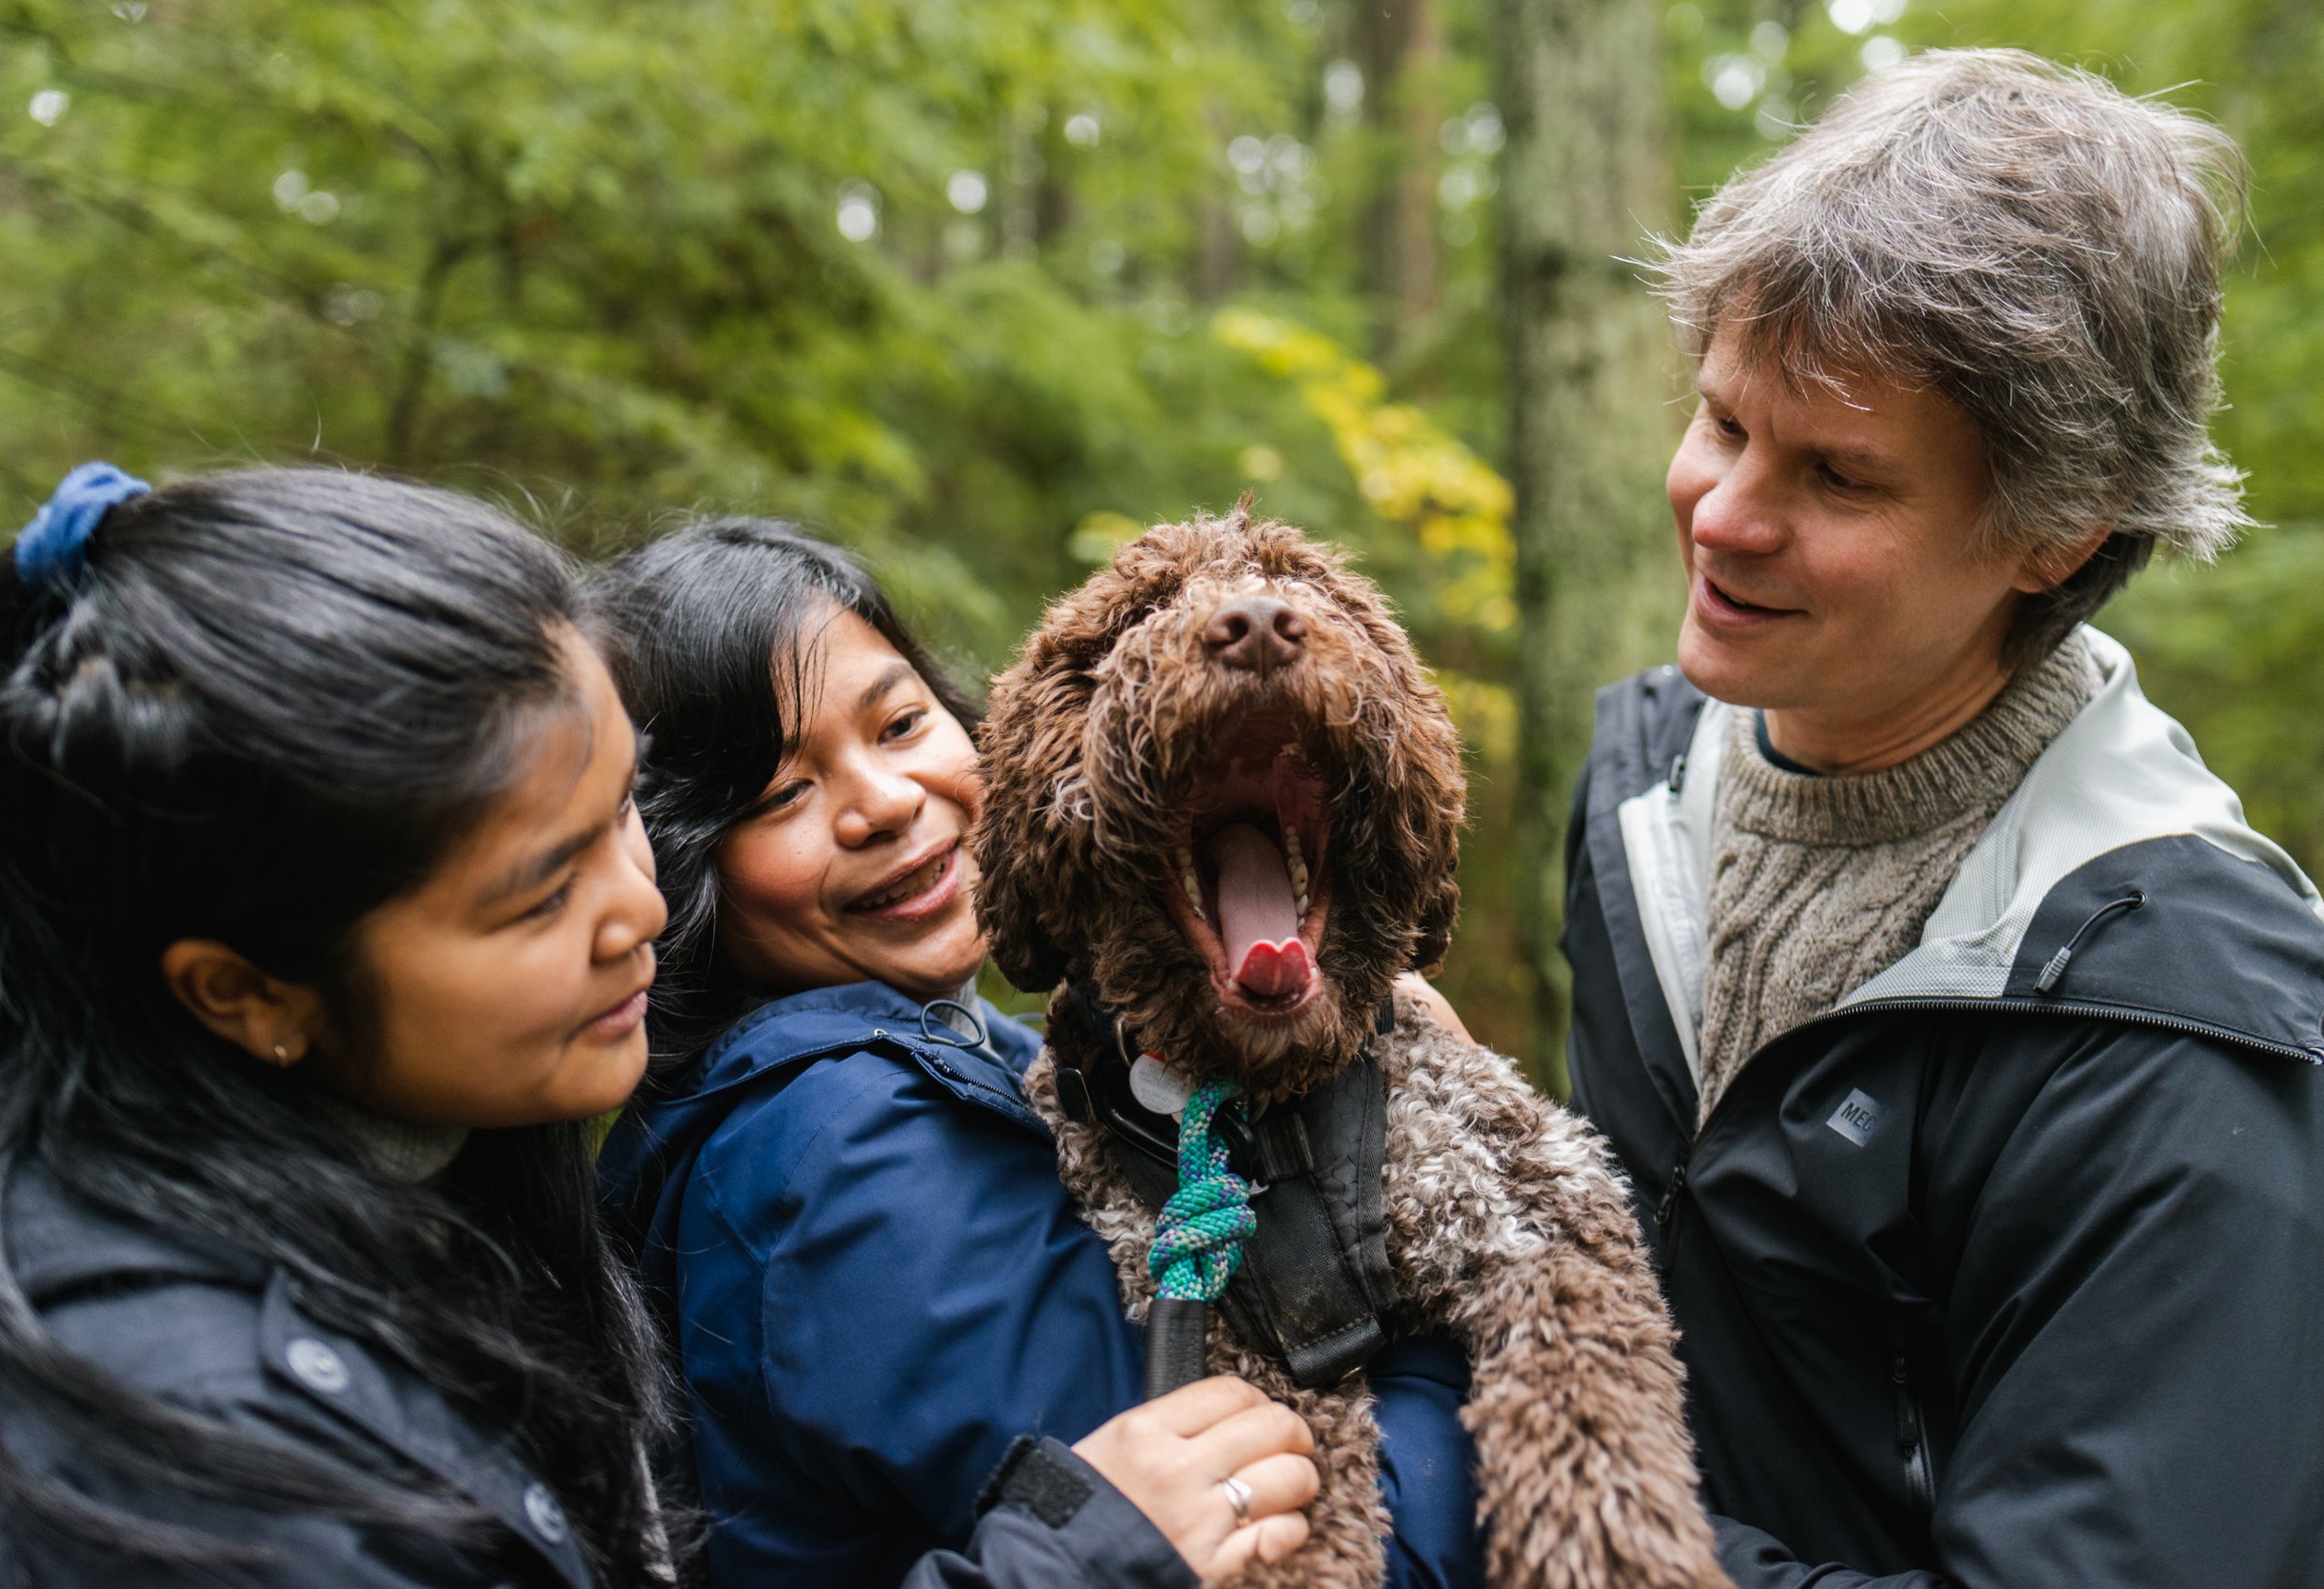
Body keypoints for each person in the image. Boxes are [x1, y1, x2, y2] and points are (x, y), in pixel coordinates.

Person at [0, 465, 1303, 1589]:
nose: (642, 905)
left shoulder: (463, 1187)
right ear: (250, 991)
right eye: (540, 892)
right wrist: (1078, 1565)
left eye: (618, 815)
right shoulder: (171, 1452)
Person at [1561, 50, 2324, 1589]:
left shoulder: (2180, 1037)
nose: (1721, 511)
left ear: (2053, 531)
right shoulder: (1643, 782)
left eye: (1836, 476)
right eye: (1723, 420)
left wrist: (1572, 1532)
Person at [593, 520, 1486, 1589]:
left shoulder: (985, 1056)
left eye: (900, 722)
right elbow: (1296, 1539)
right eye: (783, 793)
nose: (882, 802)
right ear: (686, 863)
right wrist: (1460, 1290)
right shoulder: (840, 1157)